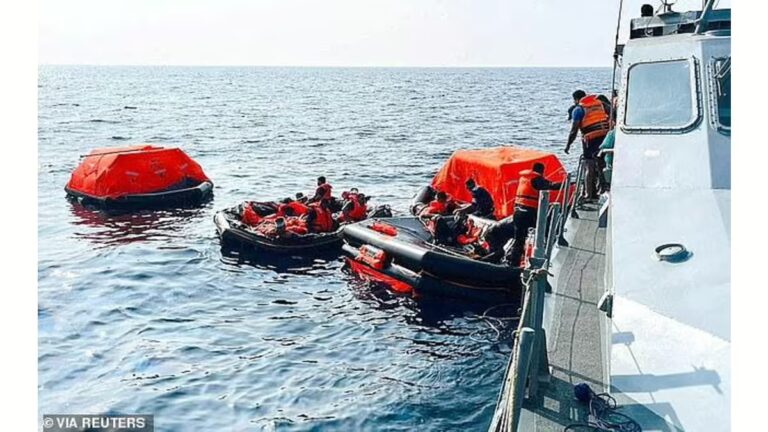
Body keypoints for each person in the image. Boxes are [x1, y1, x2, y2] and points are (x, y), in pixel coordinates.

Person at [484, 163, 562, 266]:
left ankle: (513, 259)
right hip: (528, 214)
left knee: (519, 238)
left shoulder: (524, 178)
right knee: (525, 237)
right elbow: (551, 185)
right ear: (541, 171)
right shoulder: (537, 179)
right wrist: (566, 183)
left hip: (518, 212)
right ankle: (517, 261)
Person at [565, 90, 611, 200]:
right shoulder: (600, 104)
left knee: (589, 166)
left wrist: (568, 145)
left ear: (576, 99)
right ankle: (602, 188)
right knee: (602, 163)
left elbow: (574, 129)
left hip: (591, 140)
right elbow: (612, 114)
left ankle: (589, 194)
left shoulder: (578, 109)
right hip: (605, 137)